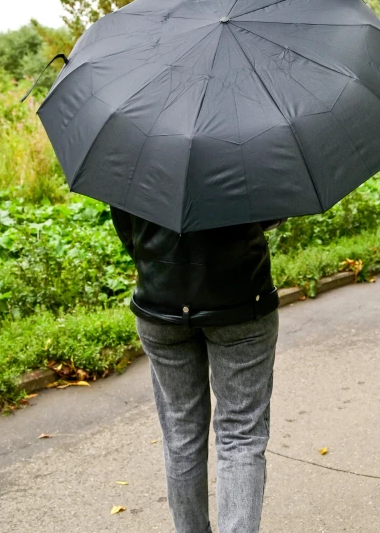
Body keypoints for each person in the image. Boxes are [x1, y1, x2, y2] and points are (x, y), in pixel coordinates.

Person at [110, 205, 288, 533]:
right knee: (241, 434)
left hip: (160, 304)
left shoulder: (138, 154)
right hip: (241, 302)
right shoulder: (242, 151)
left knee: (181, 434)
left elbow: (126, 223)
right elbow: (270, 209)